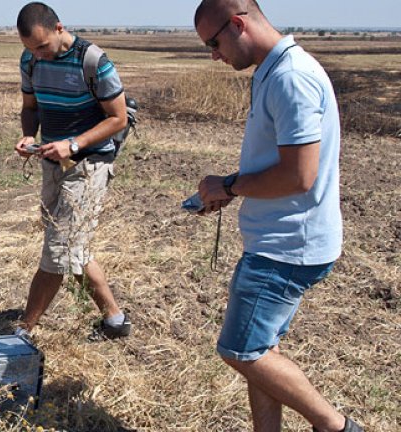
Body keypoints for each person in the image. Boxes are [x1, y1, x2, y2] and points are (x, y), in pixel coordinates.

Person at [193, 1, 362, 431]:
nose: (214, 54)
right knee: (260, 352)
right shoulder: (275, 69)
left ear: (237, 23)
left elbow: (299, 174)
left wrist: (230, 186)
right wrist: (232, 186)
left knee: (241, 351)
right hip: (281, 238)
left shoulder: (291, 77)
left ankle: (337, 427)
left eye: (214, 43)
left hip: (287, 247)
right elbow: (283, 166)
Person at [13, 2, 131, 341]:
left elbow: (118, 118)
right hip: (52, 165)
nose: (39, 55)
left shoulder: (93, 61)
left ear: (59, 28)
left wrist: (74, 144)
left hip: (89, 166)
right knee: (73, 247)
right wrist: (27, 135)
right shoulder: (31, 60)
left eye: (42, 46)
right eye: (30, 49)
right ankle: (115, 320)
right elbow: (30, 107)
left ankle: (23, 331)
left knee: (58, 251)